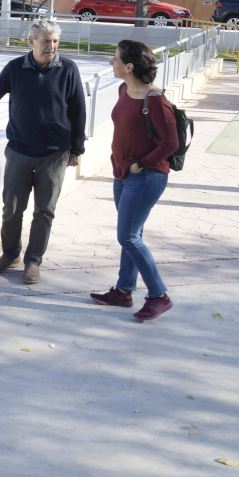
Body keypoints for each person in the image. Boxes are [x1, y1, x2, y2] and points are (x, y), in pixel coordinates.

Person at [0, 18, 85, 285]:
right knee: (11, 209)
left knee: (44, 211)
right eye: (46, 41)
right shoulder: (15, 68)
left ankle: (33, 261)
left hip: (54, 155)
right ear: (31, 41)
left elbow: (78, 110)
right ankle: (10, 254)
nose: (52, 46)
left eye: (55, 41)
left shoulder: (68, 69)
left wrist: (77, 148)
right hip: (19, 151)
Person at [90, 39, 176, 321]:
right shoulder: (123, 89)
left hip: (146, 177)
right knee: (131, 235)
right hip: (123, 173)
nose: (111, 62)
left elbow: (170, 143)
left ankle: (159, 295)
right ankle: (124, 290)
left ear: (129, 66)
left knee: (127, 236)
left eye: (115, 58)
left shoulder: (155, 99)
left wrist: (142, 164)